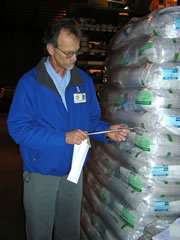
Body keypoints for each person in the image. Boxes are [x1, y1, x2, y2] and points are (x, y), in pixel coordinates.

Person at [7, 18, 129, 240]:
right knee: (39, 232)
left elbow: (90, 121)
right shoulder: (30, 83)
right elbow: (18, 129)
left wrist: (107, 131)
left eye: (76, 52)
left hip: (73, 172)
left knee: (69, 231)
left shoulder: (83, 81)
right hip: (40, 171)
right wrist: (62, 137)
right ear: (51, 49)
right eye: (68, 53)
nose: (74, 58)